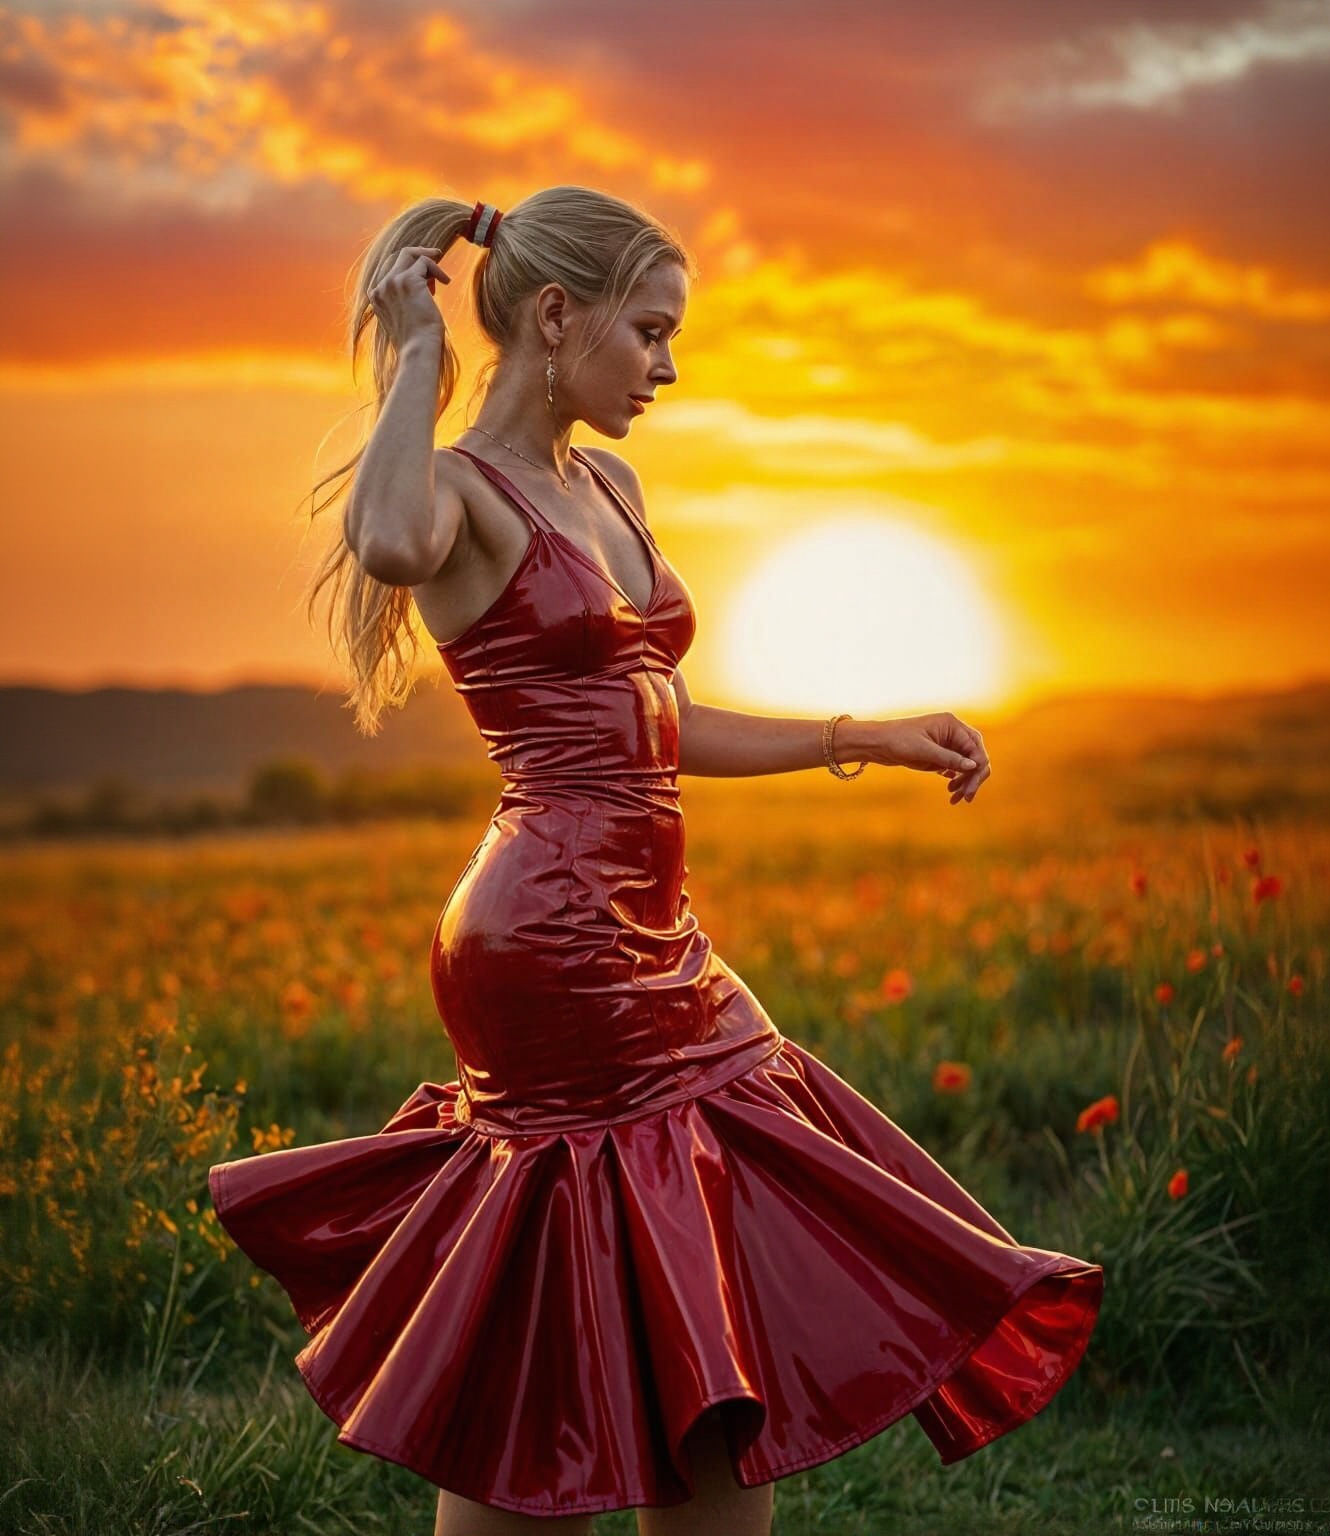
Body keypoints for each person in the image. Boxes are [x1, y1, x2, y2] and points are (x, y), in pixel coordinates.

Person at [207, 185, 1103, 1536]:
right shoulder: (455, 491)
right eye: (651, 332)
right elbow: (388, 543)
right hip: (548, 946)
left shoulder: (607, 483)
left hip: (657, 933)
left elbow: (660, 722)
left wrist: (865, 733)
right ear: (558, 318)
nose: (669, 370)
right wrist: (415, 362)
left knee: (694, 1295)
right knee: (563, 1332)